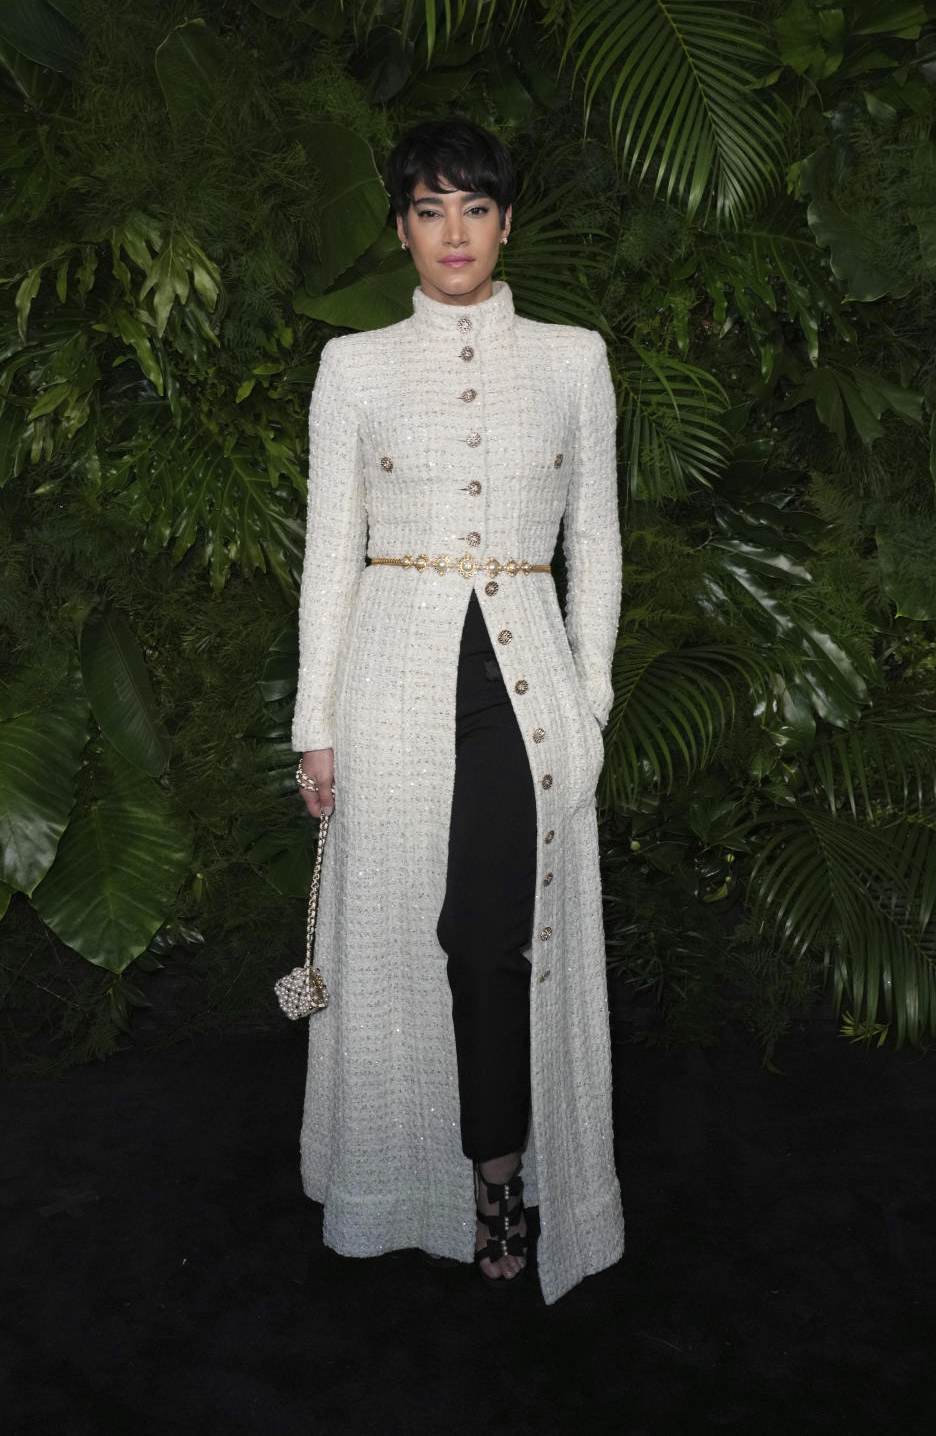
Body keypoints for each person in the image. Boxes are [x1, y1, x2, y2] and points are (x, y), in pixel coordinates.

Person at [292, 117, 624, 1303]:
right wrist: (312, 726)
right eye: (429, 210)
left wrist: (587, 699)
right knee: (391, 947)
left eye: (474, 208)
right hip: (388, 685)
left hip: (522, 691)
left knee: (488, 942)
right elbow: (330, 557)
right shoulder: (355, 368)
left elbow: (599, 540)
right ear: (399, 229)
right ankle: (392, 1179)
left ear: (505, 222)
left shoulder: (575, 359)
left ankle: (502, 1179)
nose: (453, 234)